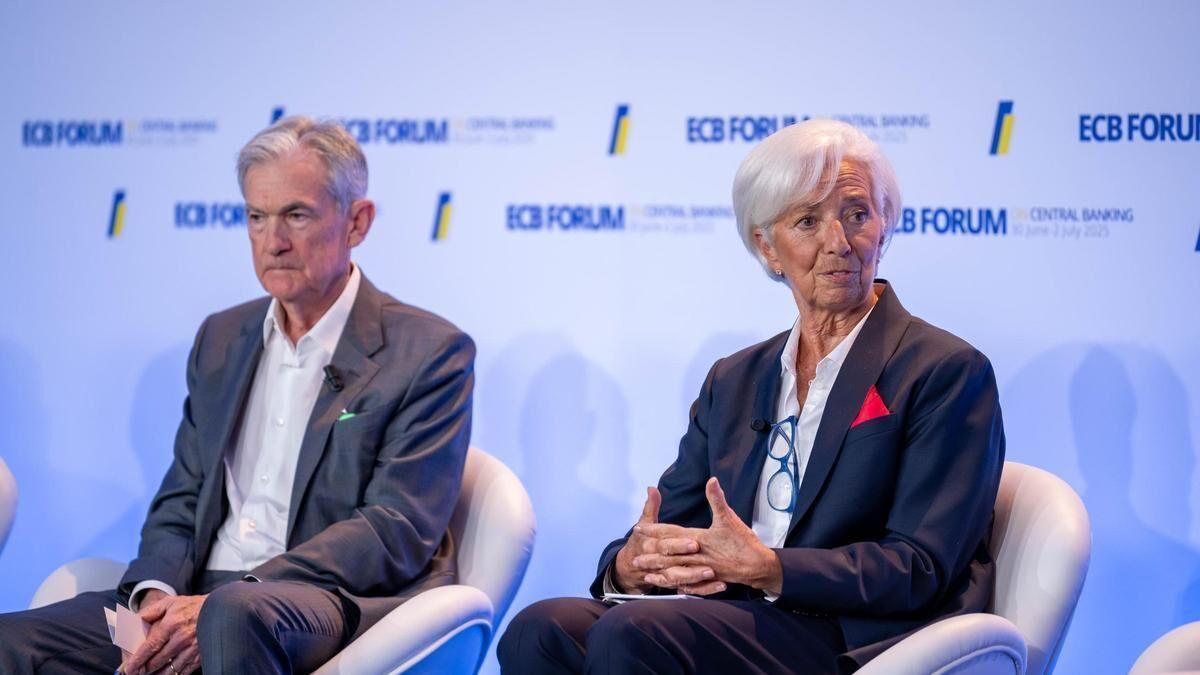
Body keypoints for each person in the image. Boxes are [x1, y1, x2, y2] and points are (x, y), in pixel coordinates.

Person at [498, 119, 1005, 674]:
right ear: (768, 247)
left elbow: (919, 566)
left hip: (850, 635)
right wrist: (630, 565)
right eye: (809, 220)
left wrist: (769, 568)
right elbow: (679, 522)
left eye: (857, 214)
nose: (838, 242)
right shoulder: (735, 380)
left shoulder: (944, 371)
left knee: (635, 634)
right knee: (540, 630)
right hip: (735, 617)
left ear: (884, 230)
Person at [0, 116, 475, 674]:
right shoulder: (222, 339)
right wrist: (155, 596)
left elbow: (394, 530)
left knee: (233, 614)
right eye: (256, 217)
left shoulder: (427, 351)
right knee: (15, 642)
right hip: (196, 593)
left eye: (297, 215)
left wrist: (234, 595)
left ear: (357, 222)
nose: (273, 241)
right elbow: (182, 497)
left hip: (313, 597)